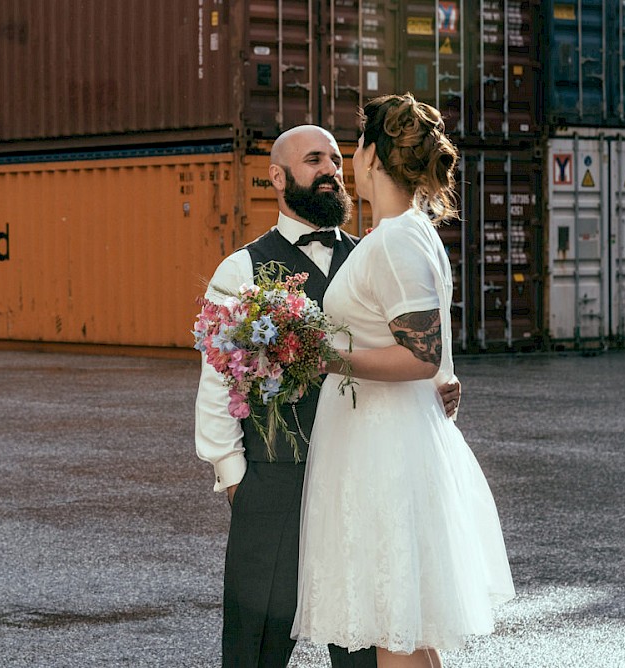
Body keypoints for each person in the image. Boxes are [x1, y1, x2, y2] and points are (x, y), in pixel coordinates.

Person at [194, 124, 462, 668]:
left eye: (338, 160)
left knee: (364, 640)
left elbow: (413, 343)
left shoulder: (374, 255)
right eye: (314, 160)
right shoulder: (240, 269)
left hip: (360, 476)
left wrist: (439, 385)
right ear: (277, 175)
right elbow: (217, 379)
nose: (331, 171)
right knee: (255, 648)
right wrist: (234, 476)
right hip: (275, 480)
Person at [290, 95, 515, 668]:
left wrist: (324, 358)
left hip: (383, 452)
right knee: (407, 628)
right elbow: (434, 357)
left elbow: (420, 354)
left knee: (395, 626)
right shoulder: (409, 233)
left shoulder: (393, 240)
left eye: (354, 148)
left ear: (372, 155)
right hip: (386, 439)